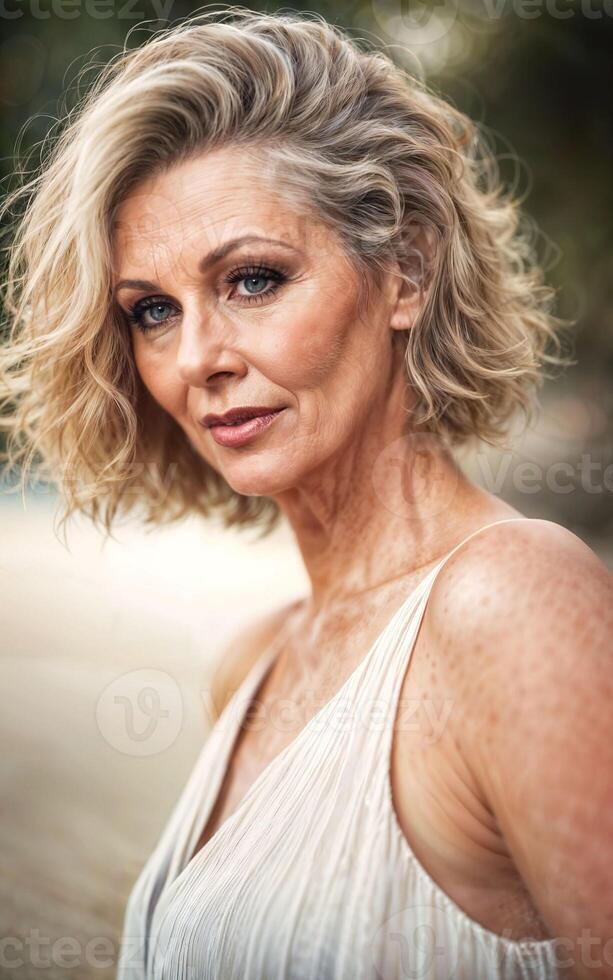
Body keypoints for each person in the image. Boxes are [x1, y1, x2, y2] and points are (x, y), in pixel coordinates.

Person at [1, 8, 611, 980]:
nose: (197, 357)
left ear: (404, 271)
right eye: (152, 310)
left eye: (252, 278)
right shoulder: (247, 667)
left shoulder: (515, 603)